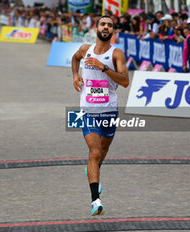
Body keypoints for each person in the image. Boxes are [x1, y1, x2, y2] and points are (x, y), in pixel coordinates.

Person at [71, 15, 129, 216]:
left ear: (113, 31)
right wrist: (75, 74)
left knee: (102, 152)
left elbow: (125, 81)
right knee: (94, 152)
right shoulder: (85, 50)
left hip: (110, 110)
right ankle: (95, 200)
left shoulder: (116, 54)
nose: (106, 27)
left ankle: (93, 173)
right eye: (103, 24)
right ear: (96, 28)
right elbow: (75, 59)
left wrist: (103, 67)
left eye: (110, 25)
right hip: (88, 109)